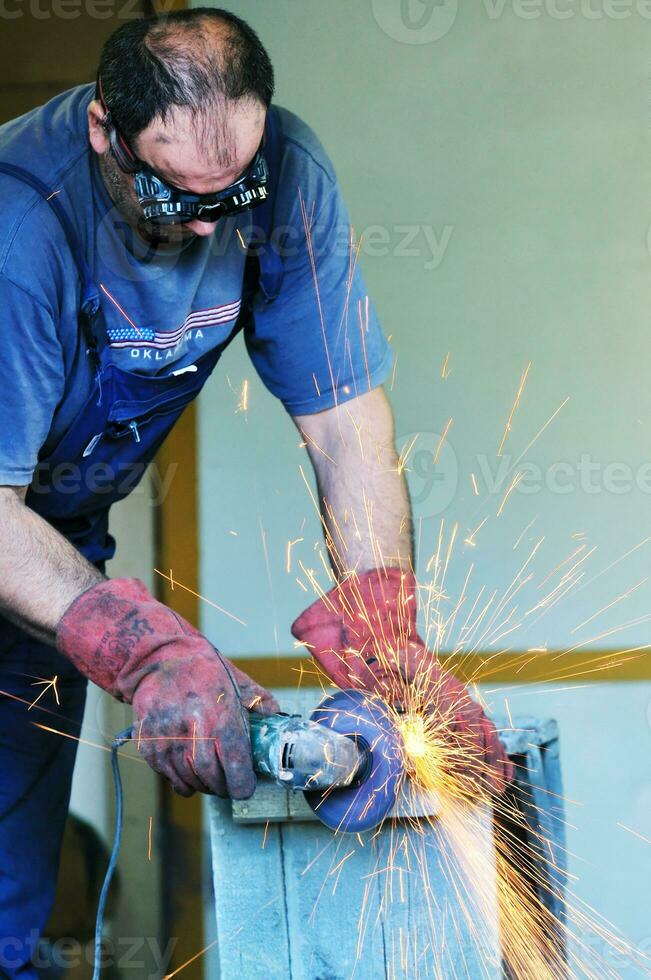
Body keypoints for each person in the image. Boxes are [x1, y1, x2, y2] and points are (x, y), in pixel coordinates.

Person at [0, 8, 511, 976]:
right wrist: (145, 647)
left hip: (52, 548)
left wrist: (382, 624)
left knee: (8, 910)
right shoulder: (21, 217)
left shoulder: (284, 175)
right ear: (106, 128)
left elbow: (345, 420)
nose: (206, 222)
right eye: (171, 191)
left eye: (233, 191)